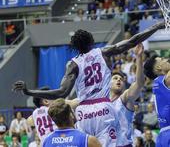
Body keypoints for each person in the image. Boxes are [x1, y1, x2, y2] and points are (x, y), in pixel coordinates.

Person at [13, 22, 164, 146]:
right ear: (91, 41)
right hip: (103, 109)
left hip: (83, 112)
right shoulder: (102, 52)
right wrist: (155, 27)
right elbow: (132, 41)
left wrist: (30, 91)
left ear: (75, 47)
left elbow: (61, 92)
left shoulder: (72, 65)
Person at [110, 43, 145, 147]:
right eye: (115, 78)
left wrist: (138, 57)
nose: (119, 80)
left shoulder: (125, 98)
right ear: (108, 83)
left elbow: (139, 84)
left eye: (121, 79)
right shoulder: (102, 102)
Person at [144, 55, 170, 147]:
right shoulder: (162, 80)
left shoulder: (158, 82)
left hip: (164, 134)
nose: (167, 59)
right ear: (159, 67)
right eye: (163, 59)